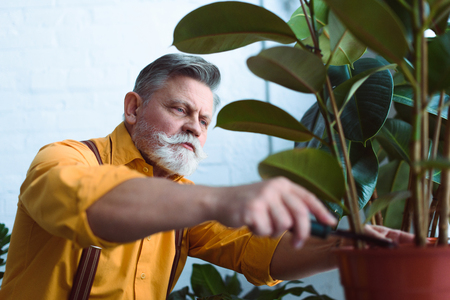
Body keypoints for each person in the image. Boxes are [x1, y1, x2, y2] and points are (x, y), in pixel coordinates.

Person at [0, 54, 413, 300]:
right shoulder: (65, 159)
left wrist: (351, 246)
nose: (196, 128)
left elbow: (259, 251)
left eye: (204, 120)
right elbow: (83, 202)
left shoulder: (183, 199)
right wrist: (222, 199)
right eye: (180, 110)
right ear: (133, 108)